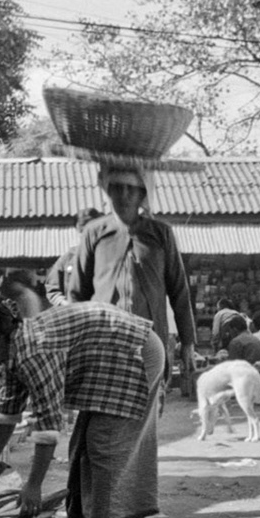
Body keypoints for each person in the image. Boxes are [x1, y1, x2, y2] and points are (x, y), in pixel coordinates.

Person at [0, 298, 165, 518]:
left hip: (135, 350)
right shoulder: (15, 348)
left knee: (102, 445)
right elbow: (7, 412)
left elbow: (48, 426)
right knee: (81, 446)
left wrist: (33, 486)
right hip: (109, 359)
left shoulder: (33, 352)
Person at [67, 160, 197, 395]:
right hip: (103, 344)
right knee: (106, 416)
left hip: (150, 342)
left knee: (146, 416)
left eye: (131, 189)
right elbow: (77, 294)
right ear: (108, 191)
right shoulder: (94, 233)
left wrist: (187, 343)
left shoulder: (160, 233)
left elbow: (179, 290)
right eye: (117, 187)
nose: (124, 195)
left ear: (142, 194)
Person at [45, 207, 102, 305]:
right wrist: (65, 304)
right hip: (76, 315)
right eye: (82, 230)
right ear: (77, 230)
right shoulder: (67, 259)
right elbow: (52, 289)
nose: (87, 235)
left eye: (92, 230)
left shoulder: (111, 256)